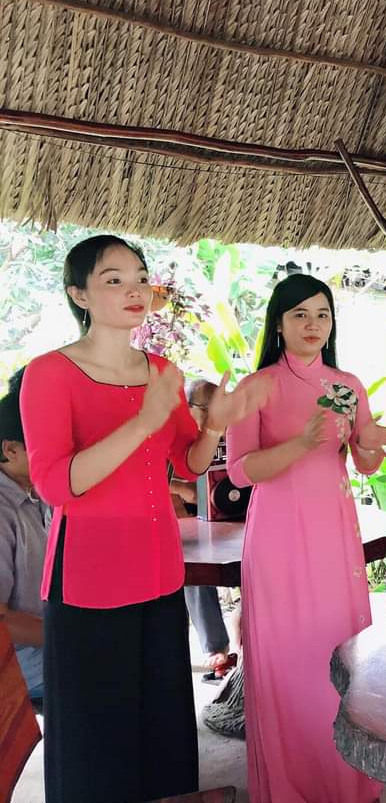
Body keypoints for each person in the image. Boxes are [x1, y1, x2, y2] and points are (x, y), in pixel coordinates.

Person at [20, 234, 266, 802]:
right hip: (89, 581)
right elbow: (56, 484)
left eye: (139, 277)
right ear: (79, 294)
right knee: (96, 742)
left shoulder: (161, 371)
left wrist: (215, 425)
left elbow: (188, 463)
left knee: (163, 732)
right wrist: (142, 422)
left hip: (158, 572)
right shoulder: (50, 373)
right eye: (113, 279)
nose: (133, 289)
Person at [226, 273, 386, 803]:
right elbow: (239, 471)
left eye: (322, 314)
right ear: (278, 324)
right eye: (300, 314)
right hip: (278, 535)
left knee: (339, 649)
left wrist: (370, 443)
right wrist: (300, 443)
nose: (312, 324)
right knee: (288, 657)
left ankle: (347, 779)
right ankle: (292, 784)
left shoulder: (347, 384)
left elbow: (367, 464)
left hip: (334, 531)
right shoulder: (256, 387)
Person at [169, 378, 233, 681]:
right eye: (206, 408)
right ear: (187, 408)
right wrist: (182, 489)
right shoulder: (172, 437)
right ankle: (216, 648)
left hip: (227, 517)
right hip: (185, 523)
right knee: (194, 569)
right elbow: (155, 481)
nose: (213, 414)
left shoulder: (229, 433)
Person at [0, 368, 49, 703]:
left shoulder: (37, 493)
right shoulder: (3, 511)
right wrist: (68, 635)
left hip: (48, 641)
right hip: (22, 661)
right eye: (44, 445)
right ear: (10, 449)